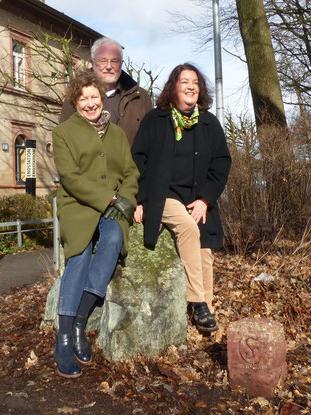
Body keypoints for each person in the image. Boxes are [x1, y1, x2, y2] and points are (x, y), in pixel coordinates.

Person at [131, 63, 231, 333]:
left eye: (195, 83)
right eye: (184, 81)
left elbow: (221, 163)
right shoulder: (156, 119)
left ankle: (206, 316)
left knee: (205, 249)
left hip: (196, 198)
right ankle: (198, 302)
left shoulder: (209, 122)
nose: (190, 87)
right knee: (188, 227)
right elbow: (137, 160)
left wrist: (205, 200)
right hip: (162, 196)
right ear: (173, 87)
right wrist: (138, 199)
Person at [53, 69, 139, 378]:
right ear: (75, 102)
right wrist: (110, 199)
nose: (90, 103)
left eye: (95, 97)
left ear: (102, 99)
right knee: (79, 255)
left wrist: (125, 198)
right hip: (78, 204)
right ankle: (63, 339)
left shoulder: (116, 133)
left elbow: (130, 171)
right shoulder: (63, 133)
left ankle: (80, 322)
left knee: (114, 240)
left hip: (113, 206)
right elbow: (71, 178)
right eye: (84, 98)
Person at [60, 37, 153, 147]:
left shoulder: (140, 97)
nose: (109, 66)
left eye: (114, 61)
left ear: (121, 64)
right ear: (92, 63)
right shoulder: (75, 95)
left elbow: (152, 141)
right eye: (103, 60)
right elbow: (63, 141)